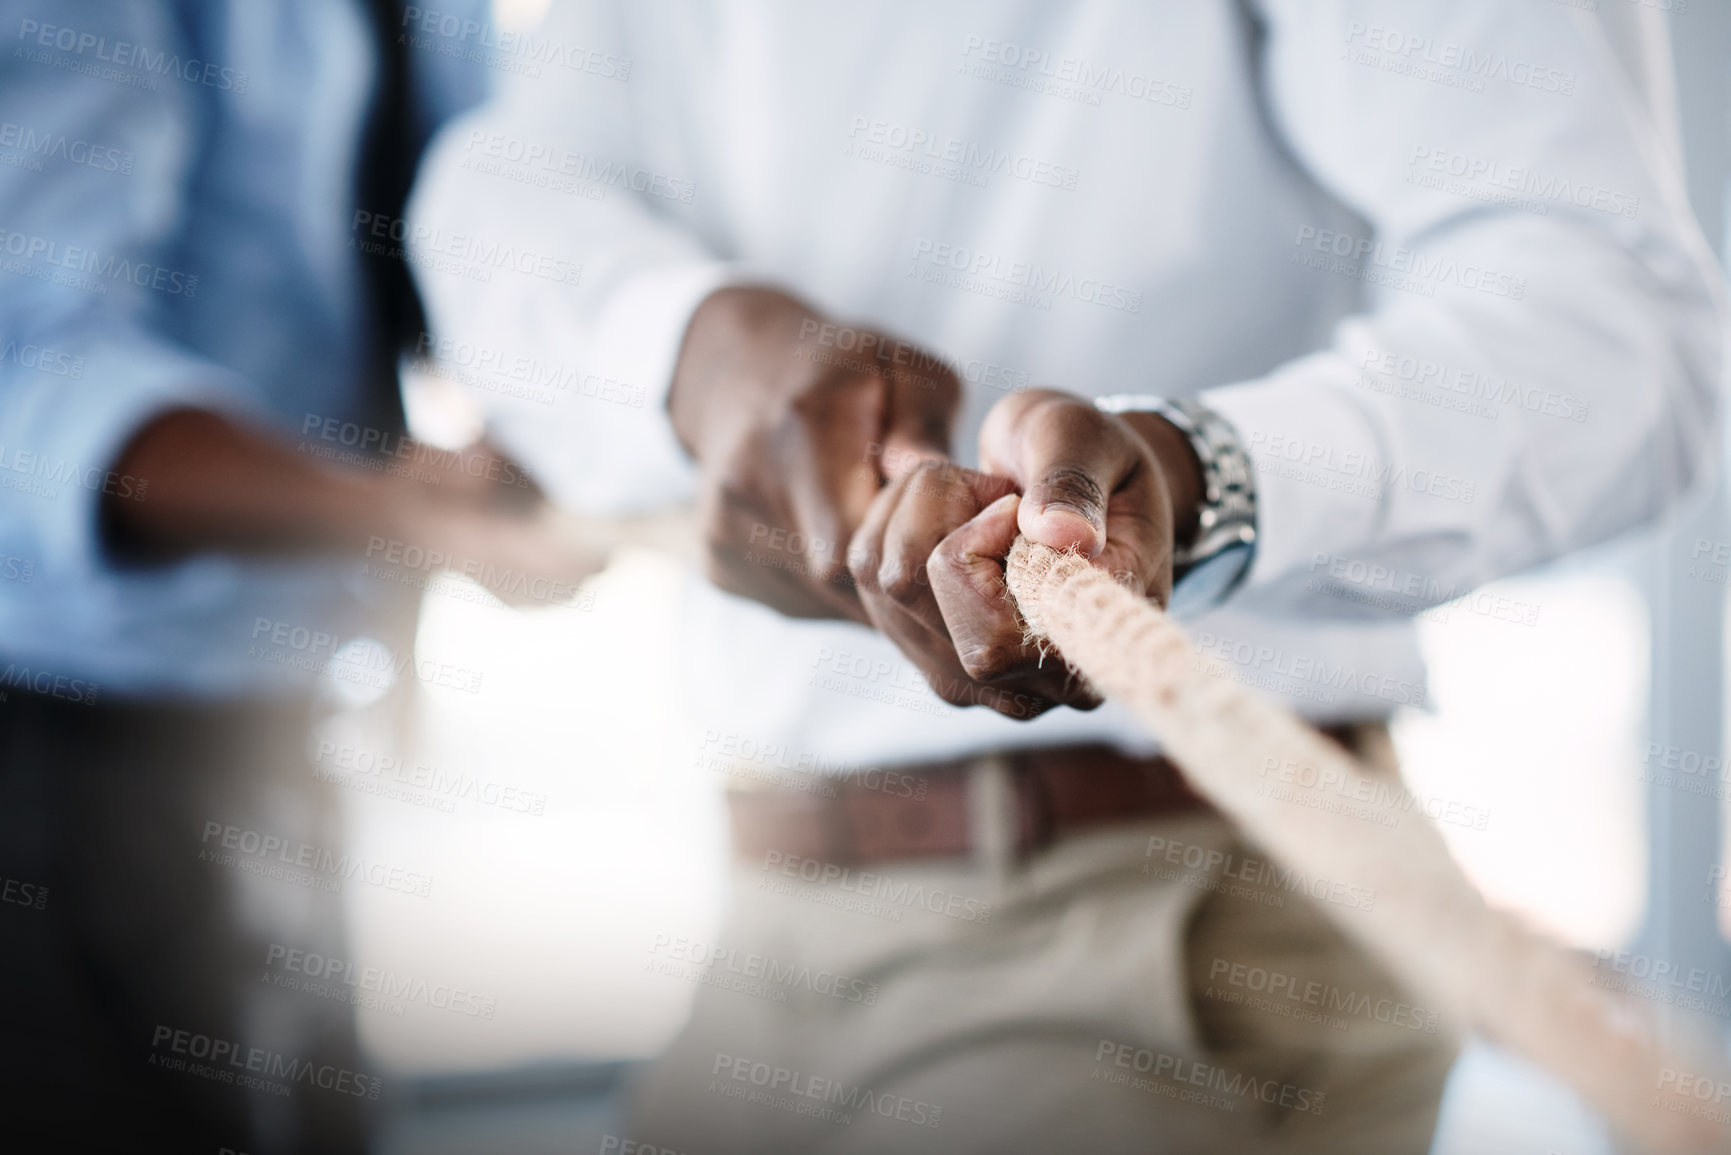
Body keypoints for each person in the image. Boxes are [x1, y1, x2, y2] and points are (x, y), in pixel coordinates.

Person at [409, 1, 1723, 1151]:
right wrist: (690, 344)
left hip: (1144, 941)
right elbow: (502, 189)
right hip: (763, 918)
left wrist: (1193, 472)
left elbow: (1609, 324)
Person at [0, 1, 597, 1149]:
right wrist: (384, 515)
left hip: (284, 726)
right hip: (71, 756)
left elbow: (488, 221)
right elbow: (28, 376)